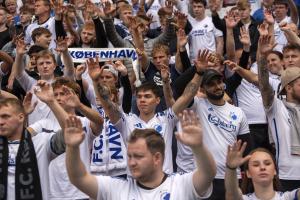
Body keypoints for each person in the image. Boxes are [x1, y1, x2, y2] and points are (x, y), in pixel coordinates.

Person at [65, 110, 216, 200]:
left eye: (138, 156)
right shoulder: (116, 188)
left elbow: (208, 173)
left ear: (157, 158)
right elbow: (78, 178)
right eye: (129, 156)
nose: (131, 162)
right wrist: (72, 147)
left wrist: (198, 147)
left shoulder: (181, 184)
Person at [0, 98, 65, 200]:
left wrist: (52, 101)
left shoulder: (41, 142)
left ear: (21, 117)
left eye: (5, 117)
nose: (0, 122)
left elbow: (70, 132)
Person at [258, 36, 300, 190]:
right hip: (287, 175)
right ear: (288, 88)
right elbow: (263, 85)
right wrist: (262, 58)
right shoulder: (276, 106)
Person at [225, 141, 300, 200]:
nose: (262, 167)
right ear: (248, 173)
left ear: (275, 171)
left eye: (267, 163)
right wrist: (231, 168)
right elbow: (231, 194)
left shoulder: (289, 197)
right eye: (256, 165)